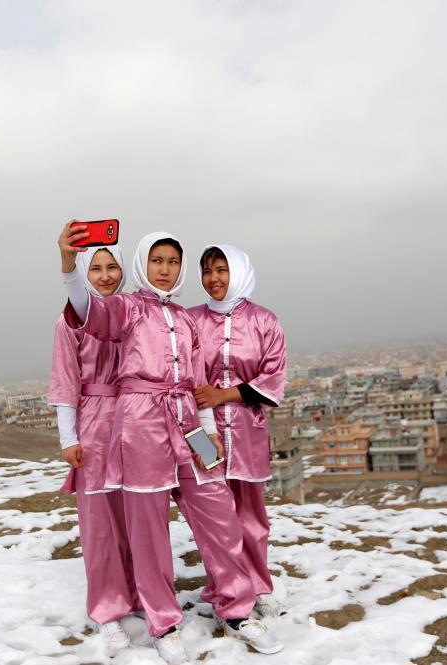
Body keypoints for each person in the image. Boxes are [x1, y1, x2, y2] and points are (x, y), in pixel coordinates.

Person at [58, 222, 283, 664]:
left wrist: (210, 434)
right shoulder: (126, 309)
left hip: (188, 421)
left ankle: (237, 610)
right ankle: (164, 621)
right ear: (143, 265)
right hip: (140, 421)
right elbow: (87, 311)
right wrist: (68, 266)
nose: (165, 269)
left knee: (218, 509)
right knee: (148, 526)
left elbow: (199, 381)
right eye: (157, 261)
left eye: (173, 262)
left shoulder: (185, 318)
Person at [47, 245, 138, 653]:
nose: (104, 275)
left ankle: (137, 595)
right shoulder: (71, 320)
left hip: (139, 421)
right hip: (95, 424)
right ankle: (106, 608)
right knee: (100, 523)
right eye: (95, 268)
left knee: (137, 516)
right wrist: (69, 438)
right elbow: (65, 381)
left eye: (112, 266)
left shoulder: (137, 312)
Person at [189, 244, 288, 618]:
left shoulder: (265, 321)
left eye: (221, 270)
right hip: (201, 429)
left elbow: (273, 377)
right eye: (207, 271)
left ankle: (257, 584)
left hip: (248, 430)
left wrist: (223, 394)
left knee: (251, 515)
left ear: (239, 272)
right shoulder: (191, 320)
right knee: (213, 513)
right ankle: (223, 585)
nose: (213, 279)